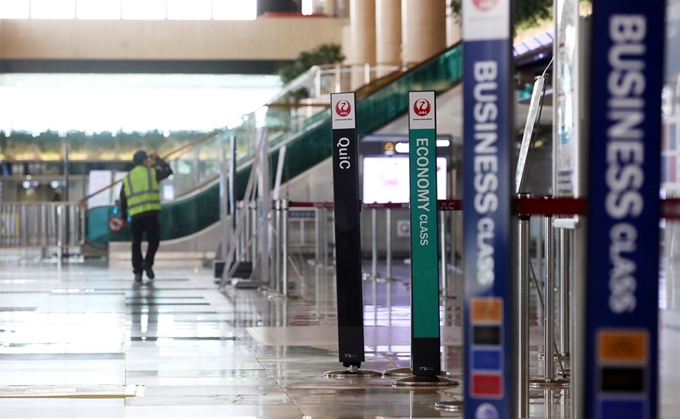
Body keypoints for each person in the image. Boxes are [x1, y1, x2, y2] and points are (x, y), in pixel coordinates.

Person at [120, 150, 173, 283]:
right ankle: (147, 263)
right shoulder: (152, 173)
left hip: (135, 215)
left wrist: (123, 217)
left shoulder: (128, 178)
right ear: (144, 160)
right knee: (154, 240)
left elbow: (122, 199)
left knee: (136, 243)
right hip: (151, 213)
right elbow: (168, 171)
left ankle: (138, 272)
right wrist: (158, 159)